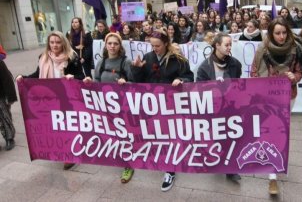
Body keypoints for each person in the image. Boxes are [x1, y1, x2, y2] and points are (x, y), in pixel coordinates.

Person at [250, 18, 302, 195]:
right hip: (266, 96)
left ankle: (274, 165)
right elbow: (254, 72)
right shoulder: (262, 49)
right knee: (271, 131)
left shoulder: (296, 49)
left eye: (284, 32)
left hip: (288, 96)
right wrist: (264, 81)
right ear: (270, 33)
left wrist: (295, 77)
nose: (282, 36)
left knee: (280, 130)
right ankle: (272, 177)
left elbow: (300, 71)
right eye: (277, 33)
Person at [132, 29, 194, 192]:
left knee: (170, 136)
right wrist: (137, 68)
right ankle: (162, 159)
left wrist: (180, 79)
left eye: (157, 46)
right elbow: (139, 81)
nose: (154, 49)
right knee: (157, 135)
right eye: (152, 46)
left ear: (166, 44)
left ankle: (170, 169)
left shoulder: (178, 60)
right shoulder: (148, 58)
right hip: (153, 104)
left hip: (171, 105)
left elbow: (189, 77)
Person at [16, 31, 85, 169]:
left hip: (66, 99)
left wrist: (73, 76)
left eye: (58, 42)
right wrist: (24, 77)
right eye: (52, 42)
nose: (55, 45)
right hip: (48, 98)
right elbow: (37, 74)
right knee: (55, 127)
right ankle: (61, 151)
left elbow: (81, 76)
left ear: (63, 43)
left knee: (67, 127)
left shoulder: (72, 57)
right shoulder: (43, 57)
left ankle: (70, 155)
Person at [83, 33, 135, 183]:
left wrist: (126, 83)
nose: (112, 46)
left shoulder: (126, 62)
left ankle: (128, 164)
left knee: (124, 134)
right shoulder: (101, 62)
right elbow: (97, 80)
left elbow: (135, 83)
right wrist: (89, 82)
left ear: (120, 46)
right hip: (106, 104)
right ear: (105, 45)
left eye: (115, 43)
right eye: (110, 43)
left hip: (123, 105)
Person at [196, 33, 242, 182]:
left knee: (230, 137)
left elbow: (238, 85)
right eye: (226, 45)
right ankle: (216, 160)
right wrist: (214, 87)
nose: (229, 48)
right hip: (213, 109)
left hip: (230, 108)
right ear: (217, 46)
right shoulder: (204, 67)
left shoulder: (235, 64)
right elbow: (199, 89)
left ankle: (230, 169)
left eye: (230, 45)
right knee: (216, 138)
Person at [0, 60, 18, 150]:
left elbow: (7, 80)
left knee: (4, 118)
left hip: (1, 96)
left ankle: (9, 138)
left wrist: (11, 97)